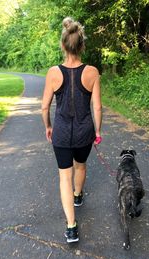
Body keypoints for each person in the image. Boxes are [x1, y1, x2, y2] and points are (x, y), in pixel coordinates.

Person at [42, 17, 102, 243]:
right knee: (81, 165)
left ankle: (71, 227)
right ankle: (78, 196)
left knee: (64, 176)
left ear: (63, 45)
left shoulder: (52, 73)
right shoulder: (93, 72)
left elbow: (45, 106)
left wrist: (48, 126)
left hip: (62, 133)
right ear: (82, 45)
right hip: (85, 132)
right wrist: (98, 131)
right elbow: (97, 106)